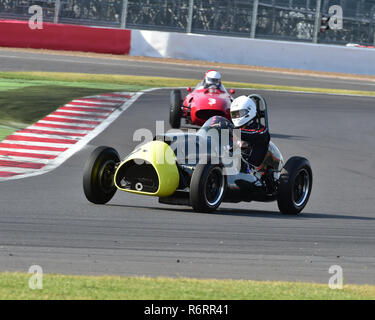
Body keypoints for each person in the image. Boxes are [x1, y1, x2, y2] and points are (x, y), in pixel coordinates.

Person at [230, 95, 270, 168]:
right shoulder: (234, 130)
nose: (237, 116)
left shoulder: (260, 130)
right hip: (231, 163)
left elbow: (254, 135)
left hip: (251, 167)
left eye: (240, 113)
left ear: (249, 110)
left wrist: (231, 131)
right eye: (234, 114)